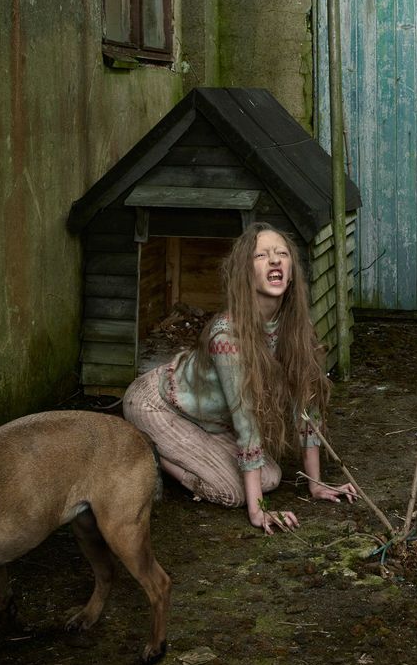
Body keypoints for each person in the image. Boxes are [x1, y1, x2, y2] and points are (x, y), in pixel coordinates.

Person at [123, 223, 358, 534]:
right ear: (245, 272)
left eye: (282, 254)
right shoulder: (227, 335)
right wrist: (258, 510)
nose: (275, 260)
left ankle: (188, 450)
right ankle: (147, 449)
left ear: (291, 271)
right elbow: (244, 417)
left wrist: (315, 484)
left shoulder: (296, 328)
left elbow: (305, 405)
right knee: (231, 493)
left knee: (270, 478)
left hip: (210, 421)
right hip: (159, 405)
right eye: (261, 255)